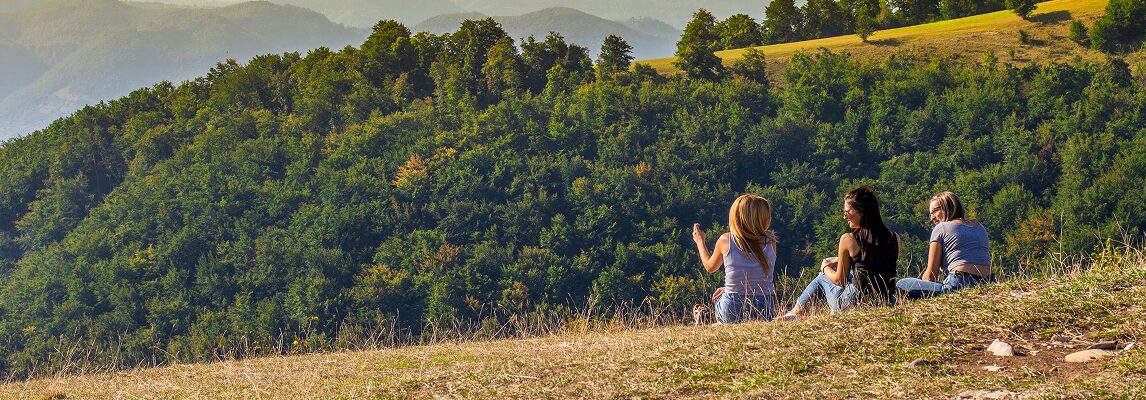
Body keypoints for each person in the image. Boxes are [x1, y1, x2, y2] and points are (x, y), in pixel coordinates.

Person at [776, 187, 899, 320]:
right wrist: (840, 260)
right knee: (852, 274)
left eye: (847, 212)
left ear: (861, 212)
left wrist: (825, 267)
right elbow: (876, 264)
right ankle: (797, 314)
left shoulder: (849, 239)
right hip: (885, 300)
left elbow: (840, 281)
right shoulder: (894, 237)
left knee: (822, 278)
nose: (844, 216)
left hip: (853, 303)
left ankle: (795, 313)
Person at [692, 194, 779, 323]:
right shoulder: (771, 242)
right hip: (765, 309)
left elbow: (710, 267)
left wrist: (700, 242)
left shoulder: (726, 240)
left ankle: (716, 321)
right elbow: (757, 276)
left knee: (722, 302)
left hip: (732, 306)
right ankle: (718, 324)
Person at [896, 191, 993, 299]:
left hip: (959, 283)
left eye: (935, 211)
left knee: (902, 284)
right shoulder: (979, 227)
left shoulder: (941, 228)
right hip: (989, 282)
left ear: (949, 207)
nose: (932, 217)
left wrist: (923, 284)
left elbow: (931, 275)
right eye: (930, 214)